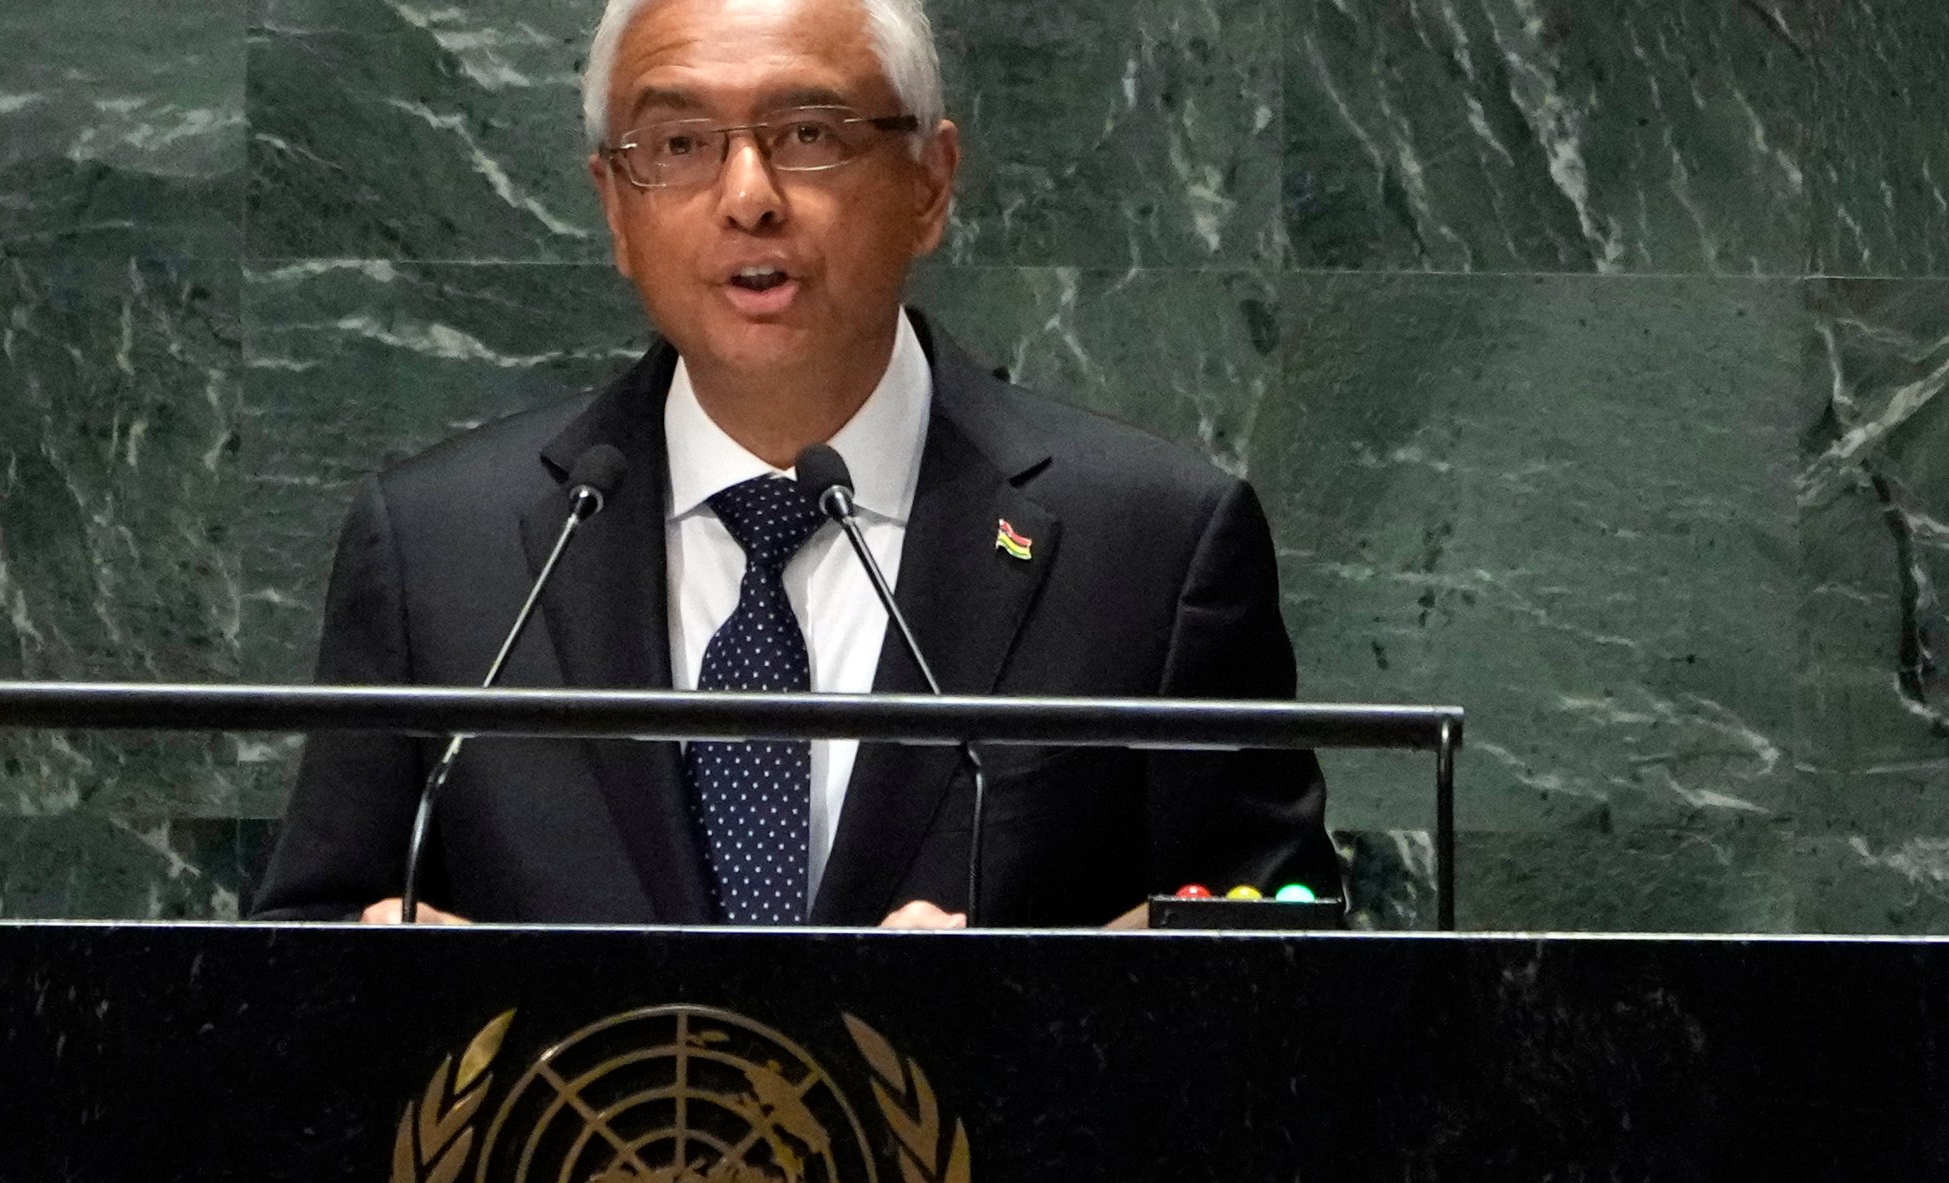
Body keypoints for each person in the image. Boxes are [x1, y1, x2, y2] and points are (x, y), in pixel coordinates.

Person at [252, 0, 1337, 929]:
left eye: (809, 133)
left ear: (930, 181)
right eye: (676, 145)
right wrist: (379, 977)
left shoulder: (1149, 547)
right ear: (613, 208)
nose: (747, 195)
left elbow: (1290, 967)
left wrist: (1047, 1004)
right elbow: (296, 959)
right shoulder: (445, 549)